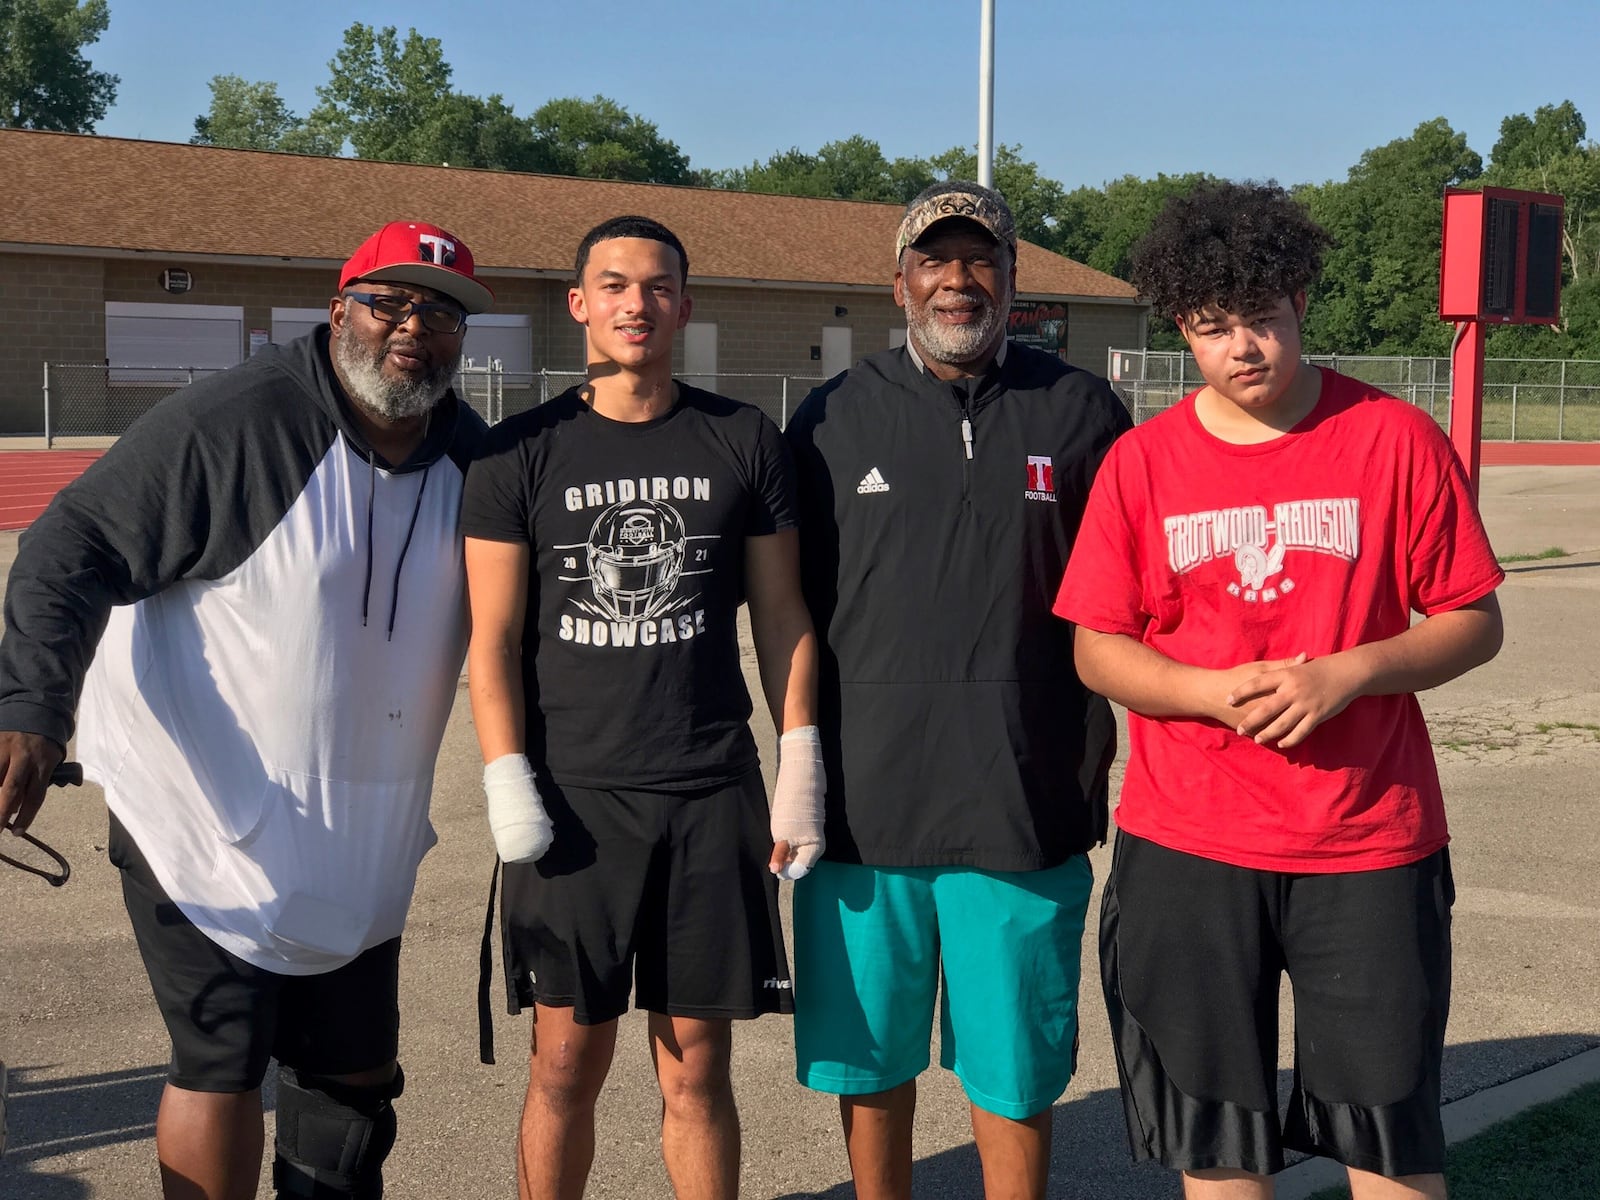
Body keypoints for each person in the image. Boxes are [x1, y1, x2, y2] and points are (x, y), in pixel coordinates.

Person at [0, 219, 492, 1199]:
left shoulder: (472, 457)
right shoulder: (243, 421)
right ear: (339, 307)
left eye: (439, 312)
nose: (413, 328)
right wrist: (32, 707)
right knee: (221, 1061)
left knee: (351, 1080)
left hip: (364, 827)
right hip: (199, 807)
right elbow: (72, 543)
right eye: (389, 302)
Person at [1054, 181, 1505, 1200]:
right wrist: (1204, 691)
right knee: (1217, 1150)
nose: (1241, 348)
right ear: (1183, 328)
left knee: (1389, 1146)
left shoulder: (1393, 440)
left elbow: (1474, 621)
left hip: (1367, 841)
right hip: (1189, 844)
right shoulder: (1142, 464)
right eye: (1212, 330)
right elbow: (1097, 647)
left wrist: (1351, 671)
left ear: (1299, 298)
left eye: (1259, 319)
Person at [460, 214, 821, 1200]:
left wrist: (802, 764)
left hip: (708, 793)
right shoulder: (516, 452)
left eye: (656, 286)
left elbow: (783, 616)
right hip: (574, 803)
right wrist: (505, 777)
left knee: (696, 1069)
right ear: (579, 305)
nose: (635, 303)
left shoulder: (740, 438)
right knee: (563, 1067)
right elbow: (489, 639)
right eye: (613, 285)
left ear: (684, 308)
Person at [782, 181, 1132, 1200]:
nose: (958, 280)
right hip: (863, 802)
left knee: (1013, 1069)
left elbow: (1127, 599)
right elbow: (787, 614)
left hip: (1021, 798)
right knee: (870, 1060)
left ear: (1014, 281)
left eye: (981, 260)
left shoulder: (1079, 410)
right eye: (935, 260)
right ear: (899, 284)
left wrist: (1106, 740)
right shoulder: (831, 417)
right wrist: (795, 760)